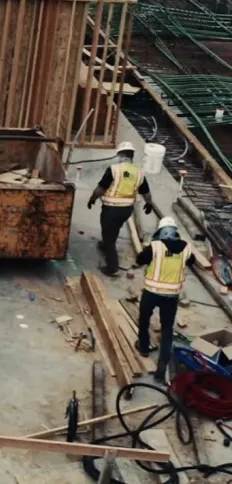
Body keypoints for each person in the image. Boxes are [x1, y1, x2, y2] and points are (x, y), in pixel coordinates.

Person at [136, 216, 196, 381]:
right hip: (171, 296)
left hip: (151, 292)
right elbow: (192, 261)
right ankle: (162, 367)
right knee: (167, 328)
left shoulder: (155, 247)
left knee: (144, 319)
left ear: (160, 231)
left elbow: (139, 260)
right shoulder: (185, 248)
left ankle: (143, 347)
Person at [87, 142, 151, 276]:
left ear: (120, 155)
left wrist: (92, 199)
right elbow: (146, 192)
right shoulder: (139, 172)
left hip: (111, 209)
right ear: (132, 155)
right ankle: (106, 245)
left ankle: (112, 267)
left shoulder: (113, 169)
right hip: (126, 210)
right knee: (114, 229)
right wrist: (149, 204)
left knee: (108, 235)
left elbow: (101, 188)